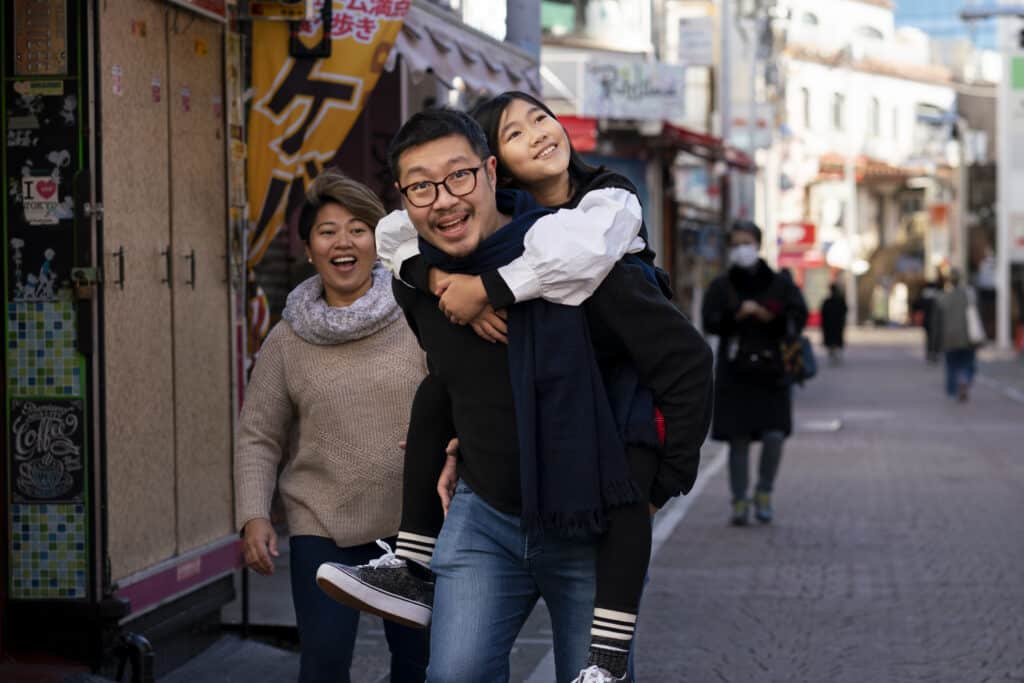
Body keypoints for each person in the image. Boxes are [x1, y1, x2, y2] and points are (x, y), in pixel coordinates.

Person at [320, 95, 709, 682]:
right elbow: (454, 378)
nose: (444, 199)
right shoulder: (419, 279)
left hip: (588, 522)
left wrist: (661, 485)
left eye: (459, 177)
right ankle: (413, 565)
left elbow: (686, 363)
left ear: (491, 171)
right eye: (421, 187)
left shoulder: (580, 259)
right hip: (486, 517)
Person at [234, 170, 430, 682]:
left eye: (357, 228)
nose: (343, 241)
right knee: (322, 667)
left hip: (416, 526)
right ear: (308, 248)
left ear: (376, 240)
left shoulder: (419, 312)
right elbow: (258, 434)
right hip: (322, 523)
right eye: (327, 230)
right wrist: (253, 514)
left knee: (419, 667)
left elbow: (464, 399)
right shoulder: (286, 338)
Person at [702, 220, 808, 526]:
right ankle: (739, 501)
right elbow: (709, 321)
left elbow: (796, 317)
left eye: (746, 242)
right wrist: (736, 316)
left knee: (774, 435)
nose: (741, 249)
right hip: (735, 371)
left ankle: (764, 492)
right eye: (735, 244)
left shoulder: (779, 282)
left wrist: (766, 315)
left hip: (772, 370)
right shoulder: (721, 285)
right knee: (738, 439)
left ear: (758, 244)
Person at [931, 269, 981, 402]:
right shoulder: (969, 296)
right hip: (967, 338)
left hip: (949, 339)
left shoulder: (943, 298)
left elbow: (937, 323)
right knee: (968, 363)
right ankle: (964, 379)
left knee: (952, 366)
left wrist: (934, 346)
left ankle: (953, 392)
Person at [820, 283, 848, 365]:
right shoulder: (840, 300)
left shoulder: (827, 301)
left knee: (831, 341)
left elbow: (823, 314)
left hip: (829, 326)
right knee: (837, 340)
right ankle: (836, 356)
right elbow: (845, 310)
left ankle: (833, 355)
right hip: (838, 325)